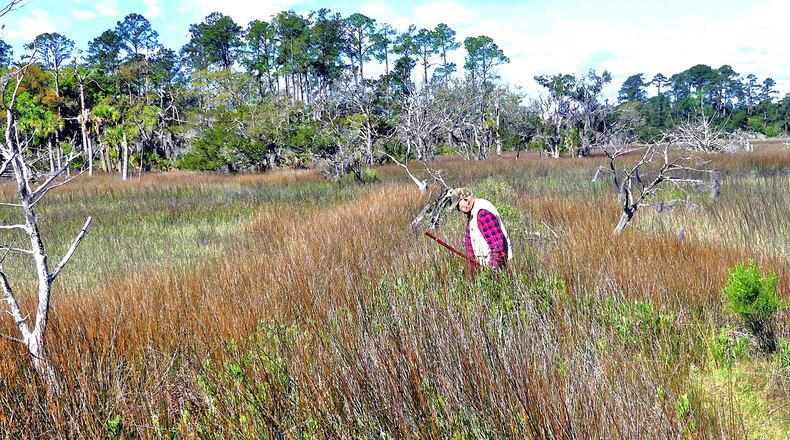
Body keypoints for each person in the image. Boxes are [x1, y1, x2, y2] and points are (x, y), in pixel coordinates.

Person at [450, 188, 513, 270]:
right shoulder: (473, 212)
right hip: (484, 268)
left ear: (466, 201)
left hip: (493, 269)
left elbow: (497, 246)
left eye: (458, 206)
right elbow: (470, 246)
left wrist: (493, 269)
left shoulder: (483, 213)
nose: (458, 210)